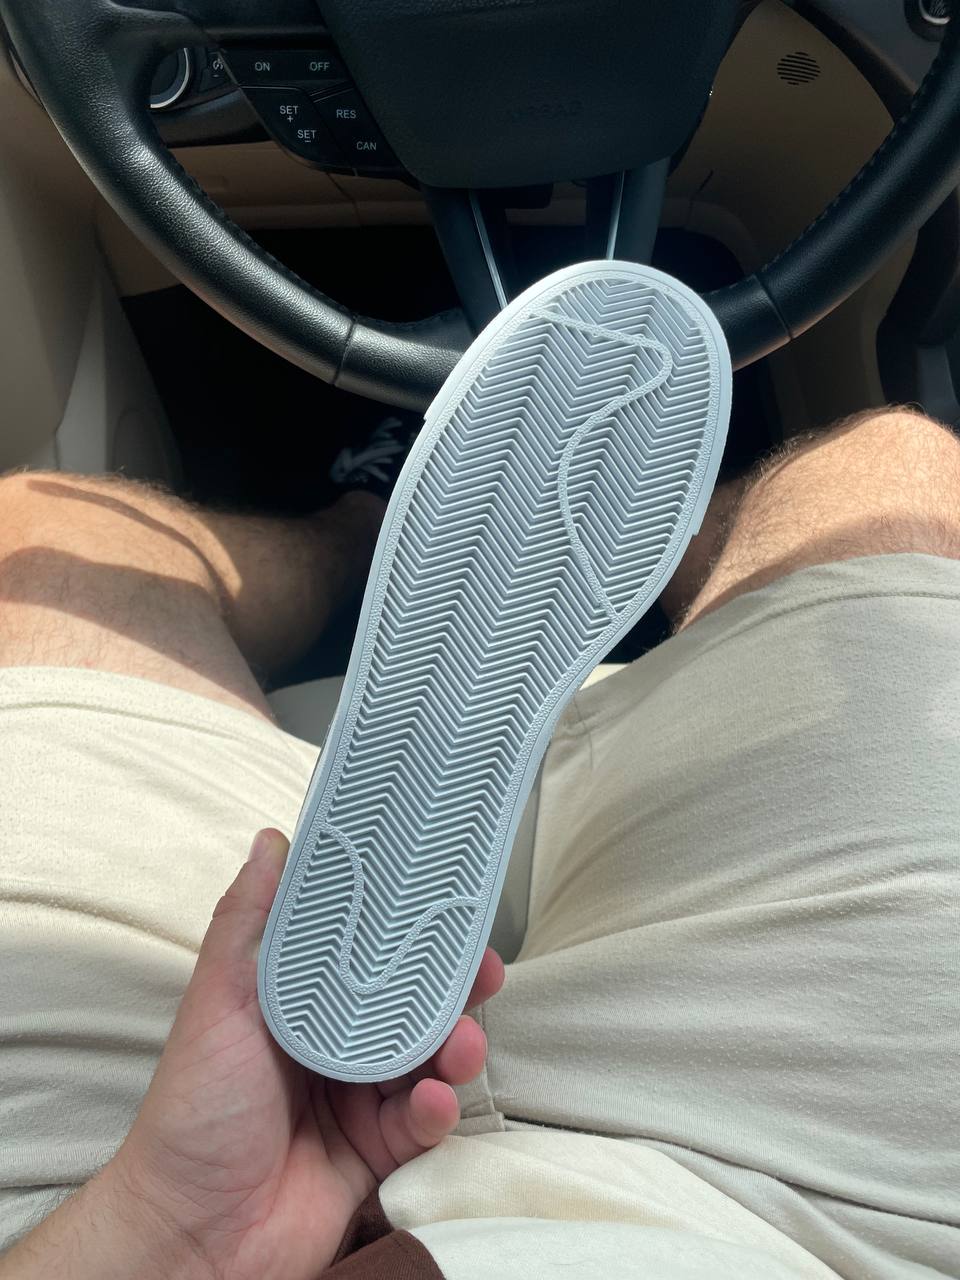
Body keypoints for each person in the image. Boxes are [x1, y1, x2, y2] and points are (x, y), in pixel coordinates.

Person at [0, 407, 957, 1279]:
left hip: (189, 1221)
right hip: (807, 1229)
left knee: (41, 535)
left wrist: (174, 1229)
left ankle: (369, 519)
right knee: (894, 469)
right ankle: (633, 502)